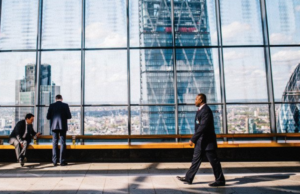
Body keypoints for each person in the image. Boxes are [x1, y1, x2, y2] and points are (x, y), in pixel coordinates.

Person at [177, 93, 225, 186]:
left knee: (214, 161)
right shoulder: (200, 110)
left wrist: (193, 139)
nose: (195, 101)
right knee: (195, 160)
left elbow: (202, 127)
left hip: (207, 142)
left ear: (201, 100)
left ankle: (220, 180)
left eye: (196, 99)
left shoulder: (206, 111)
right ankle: (188, 178)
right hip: (201, 142)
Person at [47, 94, 72, 166]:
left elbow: (48, 116)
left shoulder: (51, 105)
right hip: (63, 126)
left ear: (55, 99)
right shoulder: (65, 105)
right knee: (62, 143)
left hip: (54, 127)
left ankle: (54, 161)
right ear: (62, 99)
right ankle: (62, 161)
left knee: (54, 143)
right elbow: (69, 116)